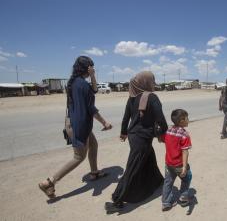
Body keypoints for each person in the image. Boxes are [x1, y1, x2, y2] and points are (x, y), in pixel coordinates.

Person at [38, 56, 112, 199]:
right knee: (79, 157)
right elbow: (91, 108)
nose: (93, 69)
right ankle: (49, 182)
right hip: (80, 124)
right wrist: (104, 122)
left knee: (94, 145)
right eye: (91, 67)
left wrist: (92, 76)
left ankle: (94, 172)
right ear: (87, 68)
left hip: (73, 121)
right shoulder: (83, 85)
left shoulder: (73, 83)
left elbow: (94, 90)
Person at [105, 71, 168, 213]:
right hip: (143, 137)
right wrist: (162, 133)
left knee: (149, 158)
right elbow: (160, 119)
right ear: (147, 82)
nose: (153, 82)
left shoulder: (132, 97)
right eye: (152, 80)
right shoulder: (152, 97)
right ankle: (117, 199)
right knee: (133, 167)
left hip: (134, 136)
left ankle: (157, 181)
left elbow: (126, 118)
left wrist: (123, 132)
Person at [160, 109, 193, 211]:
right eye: (187, 118)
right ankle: (183, 198)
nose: (188, 120)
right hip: (179, 164)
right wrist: (184, 167)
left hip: (169, 163)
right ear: (182, 121)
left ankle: (166, 202)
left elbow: (162, 139)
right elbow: (185, 152)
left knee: (168, 182)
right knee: (187, 177)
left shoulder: (168, 130)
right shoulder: (184, 134)